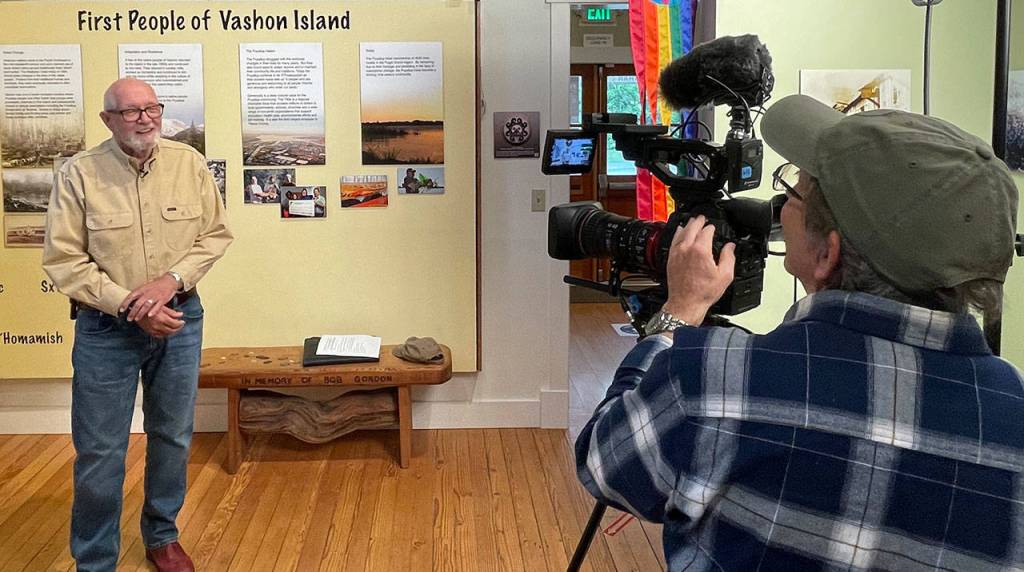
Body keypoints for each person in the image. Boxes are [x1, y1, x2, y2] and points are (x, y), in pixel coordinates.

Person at [576, 94, 1024, 570]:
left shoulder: (716, 383)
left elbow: (604, 463)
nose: (779, 206)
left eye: (795, 191)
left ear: (828, 254)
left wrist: (679, 313)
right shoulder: (1014, 408)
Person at [42, 77, 232, 572]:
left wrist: (171, 281)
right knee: (100, 450)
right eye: (131, 111)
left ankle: (162, 536)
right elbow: (64, 261)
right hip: (106, 329)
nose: (145, 118)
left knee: (172, 434)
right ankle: (95, 558)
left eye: (152, 108)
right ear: (108, 119)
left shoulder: (188, 164)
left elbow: (214, 236)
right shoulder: (79, 174)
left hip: (180, 319)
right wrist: (132, 305)